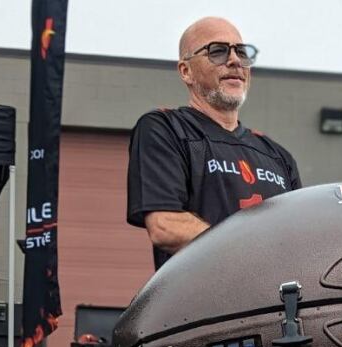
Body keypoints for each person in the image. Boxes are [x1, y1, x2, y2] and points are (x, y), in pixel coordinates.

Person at [127, 17, 302, 269]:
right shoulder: (165, 128)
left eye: (241, 52)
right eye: (217, 51)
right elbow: (165, 225)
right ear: (186, 71)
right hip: (204, 304)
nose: (234, 60)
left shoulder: (277, 156)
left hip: (272, 304)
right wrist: (250, 250)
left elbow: (298, 238)